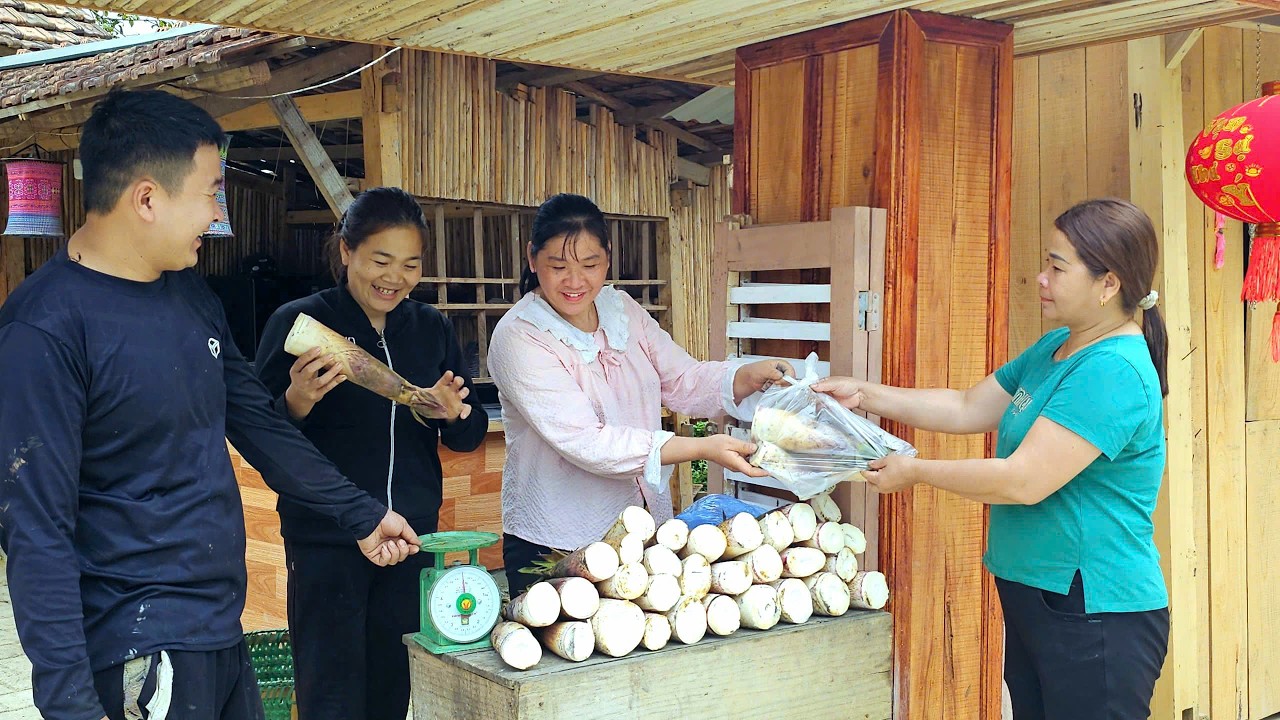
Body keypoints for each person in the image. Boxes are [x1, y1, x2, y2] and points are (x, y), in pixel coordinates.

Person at [0, 89, 425, 720]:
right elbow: (36, 529)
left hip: (218, 628)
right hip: (138, 644)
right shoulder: (46, 329)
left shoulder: (190, 297)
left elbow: (258, 423)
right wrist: (70, 705)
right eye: (208, 193)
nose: (215, 214)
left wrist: (360, 515)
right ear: (147, 199)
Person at [814, 198, 1170, 720]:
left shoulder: (1112, 369)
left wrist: (916, 471)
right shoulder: (1058, 347)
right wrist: (864, 393)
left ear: (1108, 283)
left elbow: (1023, 480)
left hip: (1094, 609)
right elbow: (966, 406)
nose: (1041, 277)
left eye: (1057, 267)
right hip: (1039, 596)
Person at [255, 186, 488, 720]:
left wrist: (453, 414)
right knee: (329, 693)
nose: (395, 278)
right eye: (381, 261)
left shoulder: (430, 328)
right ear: (346, 251)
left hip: (409, 538)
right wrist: (297, 399)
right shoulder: (300, 323)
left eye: (410, 264)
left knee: (392, 686)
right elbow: (263, 434)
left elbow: (468, 436)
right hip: (327, 538)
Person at [488, 193, 789, 595]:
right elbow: (587, 441)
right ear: (532, 258)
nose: (575, 281)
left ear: (608, 257)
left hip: (643, 534)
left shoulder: (622, 309)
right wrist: (703, 448)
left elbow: (681, 380)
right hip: (558, 539)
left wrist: (746, 375)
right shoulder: (519, 336)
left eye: (590, 265)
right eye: (558, 266)